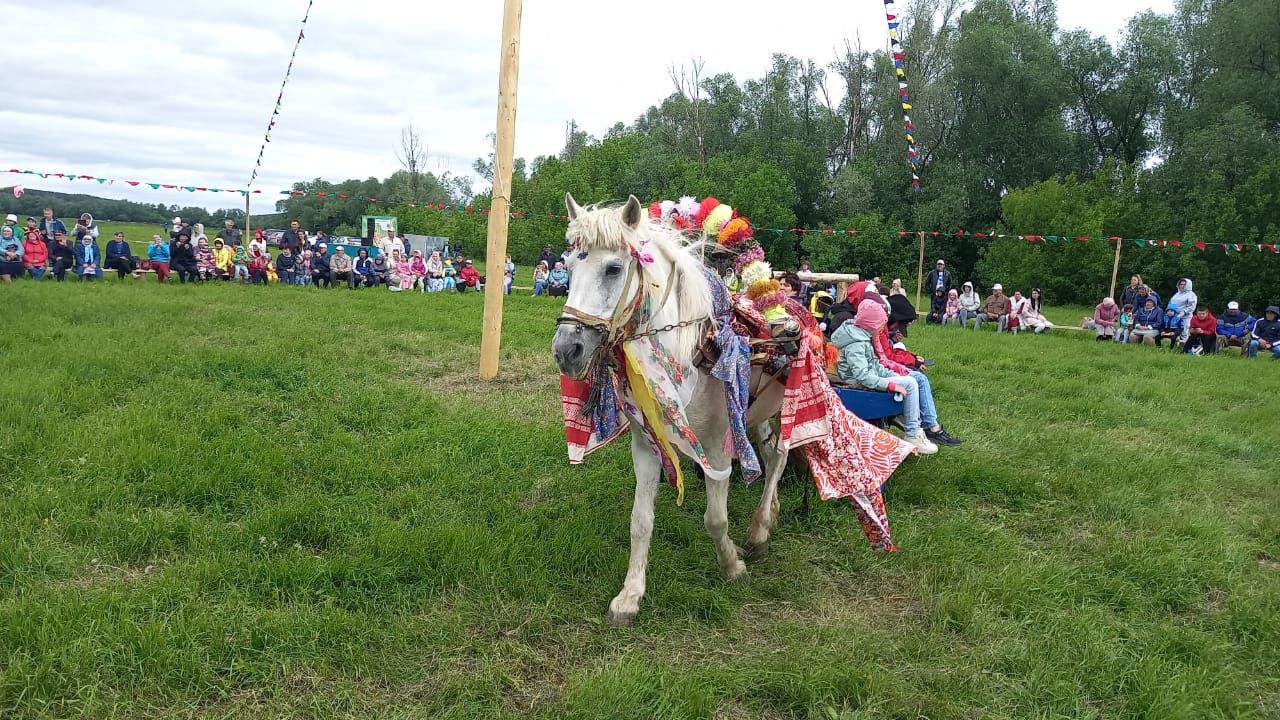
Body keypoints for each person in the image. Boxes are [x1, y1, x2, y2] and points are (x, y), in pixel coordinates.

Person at [832, 298, 938, 455]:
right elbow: (862, 375)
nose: (883, 328)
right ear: (872, 325)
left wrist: (893, 375)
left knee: (910, 380)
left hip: (866, 379)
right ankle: (912, 433)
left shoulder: (860, 337)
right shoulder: (856, 344)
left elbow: (875, 366)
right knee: (910, 384)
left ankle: (912, 427)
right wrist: (890, 384)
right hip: (855, 385)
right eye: (881, 324)